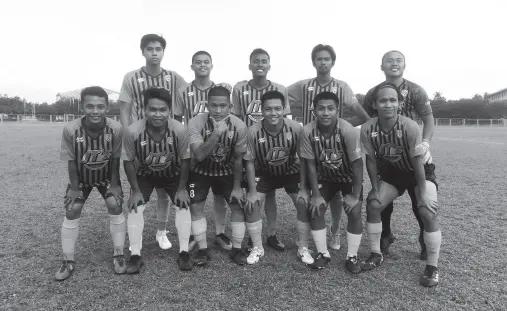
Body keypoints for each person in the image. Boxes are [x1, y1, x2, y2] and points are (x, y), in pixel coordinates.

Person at [288, 44, 370, 250]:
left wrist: (341, 127)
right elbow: (278, 95)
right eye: (319, 59)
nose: (322, 62)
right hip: (310, 144)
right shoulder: (302, 86)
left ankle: (335, 231)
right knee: (312, 187)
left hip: (335, 148)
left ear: (333, 62)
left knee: (335, 194)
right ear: (313, 62)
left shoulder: (342, 87)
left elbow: (361, 114)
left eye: (326, 59)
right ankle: (308, 233)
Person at [360, 82, 441, 287]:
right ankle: (376, 254)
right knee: (373, 204)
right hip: (393, 172)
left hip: (418, 171)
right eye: (383, 100)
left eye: (392, 100)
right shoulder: (369, 128)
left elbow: (416, 162)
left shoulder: (409, 126)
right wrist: (376, 188)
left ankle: (432, 267)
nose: (388, 104)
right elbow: (370, 160)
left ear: (400, 103)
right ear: (375, 105)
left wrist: (422, 192)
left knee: (427, 210)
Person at [118, 34, 191, 251]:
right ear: (142, 51)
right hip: (142, 140)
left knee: (163, 191)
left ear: (163, 52)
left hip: (167, 139)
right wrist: (129, 137)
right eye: (149, 49)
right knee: (141, 189)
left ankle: (161, 232)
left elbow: (189, 98)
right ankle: (136, 247)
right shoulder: (131, 77)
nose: (154, 53)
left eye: (158, 49)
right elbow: (125, 109)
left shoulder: (174, 77)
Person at [362, 50, 435, 260]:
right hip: (386, 156)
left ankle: (424, 240)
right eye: (389, 61)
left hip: (413, 152)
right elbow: (370, 120)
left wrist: (426, 144)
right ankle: (384, 236)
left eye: (398, 61)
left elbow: (428, 119)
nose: (394, 64)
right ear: (382, 66)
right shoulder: (373, 93)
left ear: (405, 65)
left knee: (419, 200)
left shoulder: (416, 90)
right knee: (380, 202)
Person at [55, 86, 125, 281]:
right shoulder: (70, 129)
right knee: (72, 209)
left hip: (105, 177)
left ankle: (119, 255)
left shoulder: (116, 128)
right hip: (81, 179)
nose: (95, 111)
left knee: (115, 204)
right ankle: (68, 260)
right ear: (82, 107)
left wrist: (114, 184)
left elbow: (115, 158)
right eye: (90, 106)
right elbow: (71, 161)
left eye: (100, 106)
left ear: (107, 107)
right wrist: (75, 188)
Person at [123, 87, 193, 273]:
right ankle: (136, 255)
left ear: (169, 111)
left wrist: (182, 188)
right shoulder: (132, 132)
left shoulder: (179, 130)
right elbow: (128, 162)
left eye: (162, 110)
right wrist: (136, 191)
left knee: (183, 204)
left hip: (172, 173)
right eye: (152, 109)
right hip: (145, 173)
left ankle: (184, 252)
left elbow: (186, 160)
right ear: (144, 110)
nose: (157, 114)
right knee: (136, 206)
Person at [232, 48, 290, 251]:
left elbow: (286, 119)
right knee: (252, 192)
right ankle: (252, 235)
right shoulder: (239, 88)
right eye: (256, 61)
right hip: (250, 147)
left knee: (270, 194)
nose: (260, 64)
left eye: (264, 61)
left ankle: (272, 234)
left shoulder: (280, 89)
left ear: (269, 65)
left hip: (273, 150)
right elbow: (237, 119)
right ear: (250, 65)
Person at [174, 50, 233, 251]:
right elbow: (175, 120)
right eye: (198, 62)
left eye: (206, 62)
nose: (202, 65)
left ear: (211, 65)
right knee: (194, 197)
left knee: (219, 195)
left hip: (220, 149)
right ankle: (193, 234)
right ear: (192, 66)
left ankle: (220, 233)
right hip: (194, 146)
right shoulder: (183, 91)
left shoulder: (220, 90)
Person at [299, 92, 364, 271]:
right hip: (325, 177)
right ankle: (323, 253)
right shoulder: (307, 131)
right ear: (314, 110)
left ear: (337, 110)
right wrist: (316, 195)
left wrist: (355, 195)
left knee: (355, 210)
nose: (325, 113)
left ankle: (352, 256)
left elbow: (358, 165)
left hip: (348, 177)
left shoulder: (348, 130)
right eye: (321, 108)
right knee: (316, 208)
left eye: (330, 109)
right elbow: (310, 164)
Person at [243, 90, 309, 265]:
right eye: (268, 109)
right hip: (264, 172)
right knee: (251, 204)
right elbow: (249, 162)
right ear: (262, 110)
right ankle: (257, 247)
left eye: (278, 109)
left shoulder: (295, 128)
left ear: (284, 108)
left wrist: (303, 188)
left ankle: (303, 246)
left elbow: (303, 158)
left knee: (303, 202)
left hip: (290, 171)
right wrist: (251, 191)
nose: (273, 113)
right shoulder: (252, 131)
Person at [187, 86, 249, 266]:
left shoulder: (239, 125)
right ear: (207, 105)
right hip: (200, 171)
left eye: (223, 105)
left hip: (227, 171)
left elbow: (238, 159)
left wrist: (237, 188)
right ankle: (203, 249)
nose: (218, 110)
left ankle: (237, 249)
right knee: (196, 207)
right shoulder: (195, 123)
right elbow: (199, 155)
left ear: (230, 106)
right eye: (214, 105)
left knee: (237, 206)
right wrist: (216, 133)